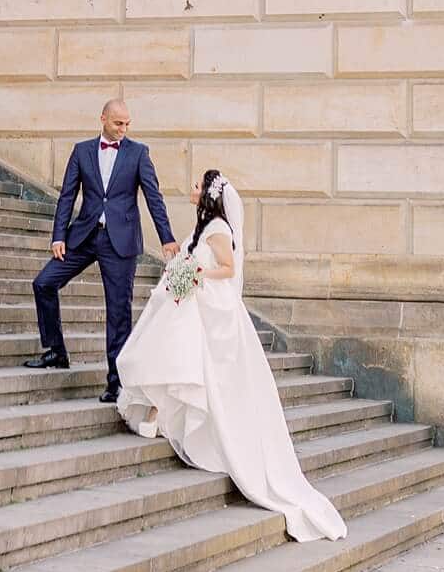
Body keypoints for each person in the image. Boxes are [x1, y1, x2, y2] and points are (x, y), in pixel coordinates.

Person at [116, 167, 347, 543]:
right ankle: (161, 408)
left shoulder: (219, 229)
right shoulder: (206, 225)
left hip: (212, 304)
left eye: (196, 185)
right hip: (198, 299)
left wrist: (195, 274)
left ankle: (167, 411)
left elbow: (227, 269)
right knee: (173, 345)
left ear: (209, 193)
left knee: (189, 354)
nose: (191, 188)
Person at [26, 99, 178, 403]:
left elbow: (154, 198)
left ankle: (116, 382)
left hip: (120, 242)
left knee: (118, 312)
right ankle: (56, 350)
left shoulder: (138, 153)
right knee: (44, 282)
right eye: (117, 123)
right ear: (103, 119)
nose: (122, 129)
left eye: (127, 124)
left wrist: (167, 238)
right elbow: (67, 195)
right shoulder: (82, 151)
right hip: (83, 236)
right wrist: (59, 236)